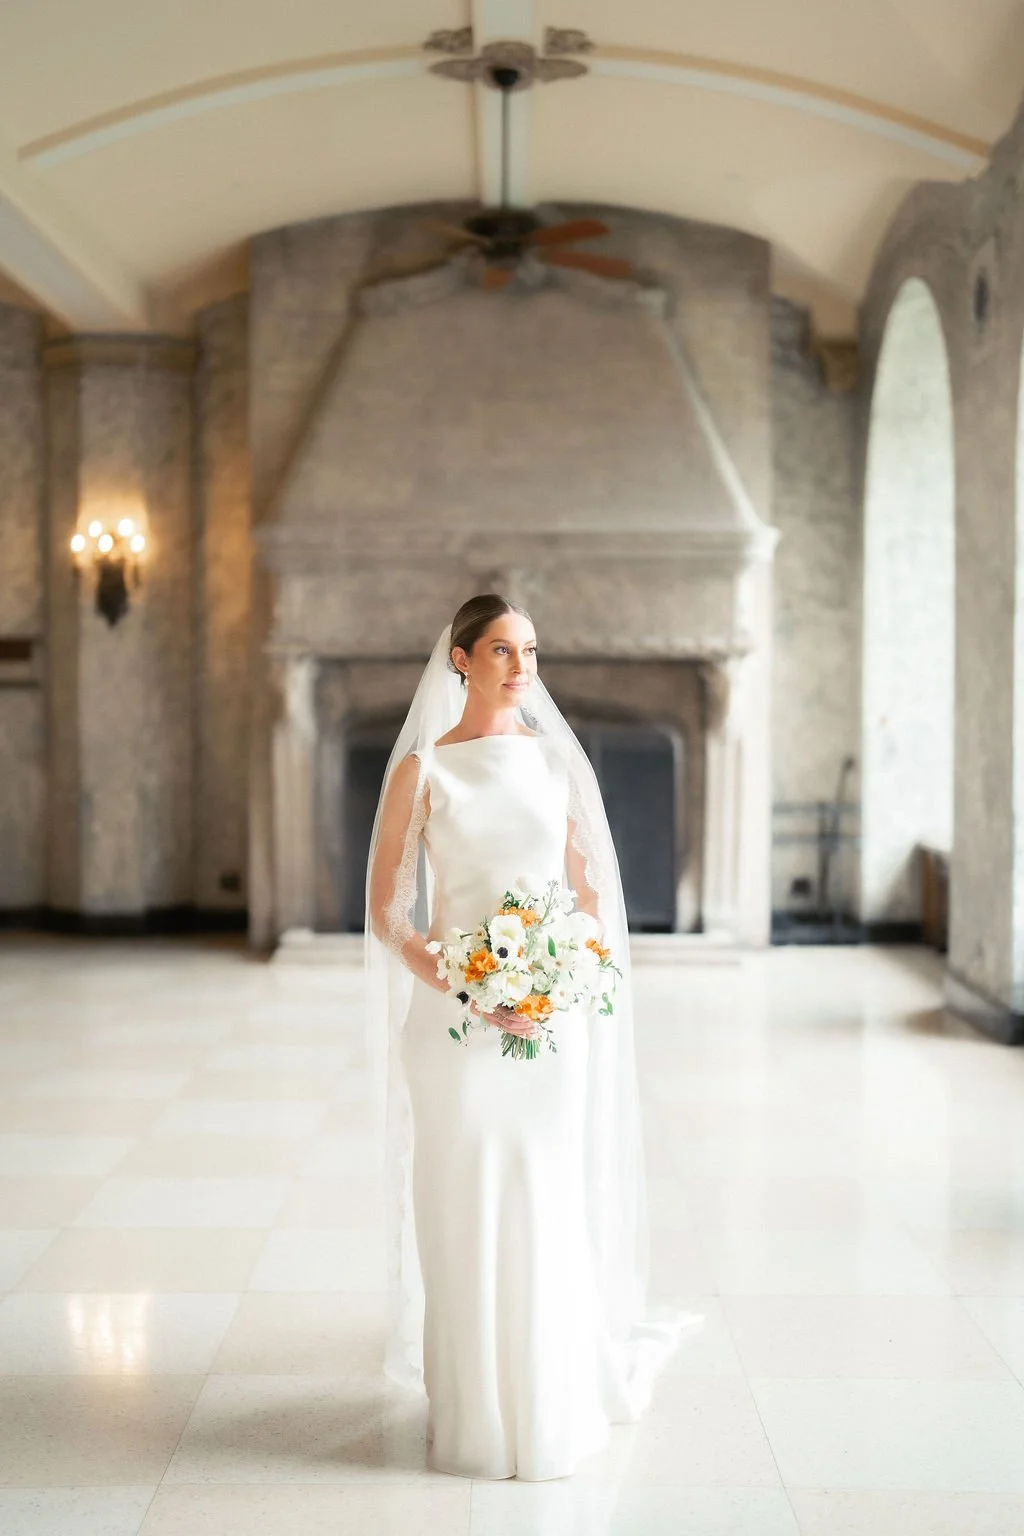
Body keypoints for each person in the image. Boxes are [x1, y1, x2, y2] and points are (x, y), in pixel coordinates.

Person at [364, 593, 700, 1481]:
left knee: (542, 1202)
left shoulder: (556, 768)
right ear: (461, 661)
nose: (523, 667)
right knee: (461, 1205)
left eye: (532, 651)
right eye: (504, 650)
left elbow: (590, 907)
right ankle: (473, 1416)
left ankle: (548, 1407)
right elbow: (389, 915)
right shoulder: (423, 771)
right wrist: (473, 988)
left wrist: (549, 986)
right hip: (451, 1026)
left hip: (549, 1029)